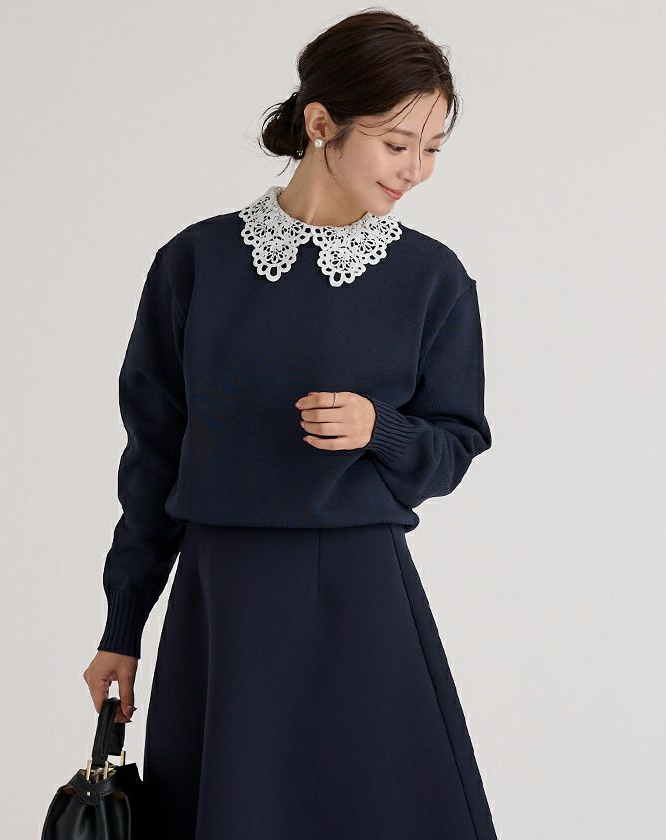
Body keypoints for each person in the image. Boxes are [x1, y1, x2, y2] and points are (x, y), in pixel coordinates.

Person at [82, 9, 497, 839]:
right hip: (221, 600)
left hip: (362, 595)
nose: (417, 170)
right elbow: (152, 459)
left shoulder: (431, 279)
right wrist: (122, 626)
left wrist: (381, 428)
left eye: (432, 148)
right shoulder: (195, 263)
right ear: (320, 124)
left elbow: (455, 446)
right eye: (397, 143)